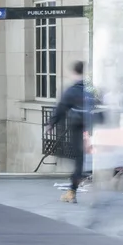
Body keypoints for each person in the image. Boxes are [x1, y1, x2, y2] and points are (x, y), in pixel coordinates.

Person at [48, 61, 97, 203]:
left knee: (78, 161)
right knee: (80, 161)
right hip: (87, 127)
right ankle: (73, 189)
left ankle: (72, 192)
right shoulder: (89, 91)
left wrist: (52, 123)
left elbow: (61, 107)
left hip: (76, 127)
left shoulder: (71, 91)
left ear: (74, 72)